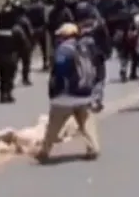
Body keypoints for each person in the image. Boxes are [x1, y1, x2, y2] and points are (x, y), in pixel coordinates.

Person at [37, 23, 100, 163]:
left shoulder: (63, 50)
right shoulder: (84, 48)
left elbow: (60, 71)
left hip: (65, 96)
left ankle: (44, 152)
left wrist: (54, 89)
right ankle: (93, 148)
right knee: (86, 123)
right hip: (84, 94)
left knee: (54, 126)